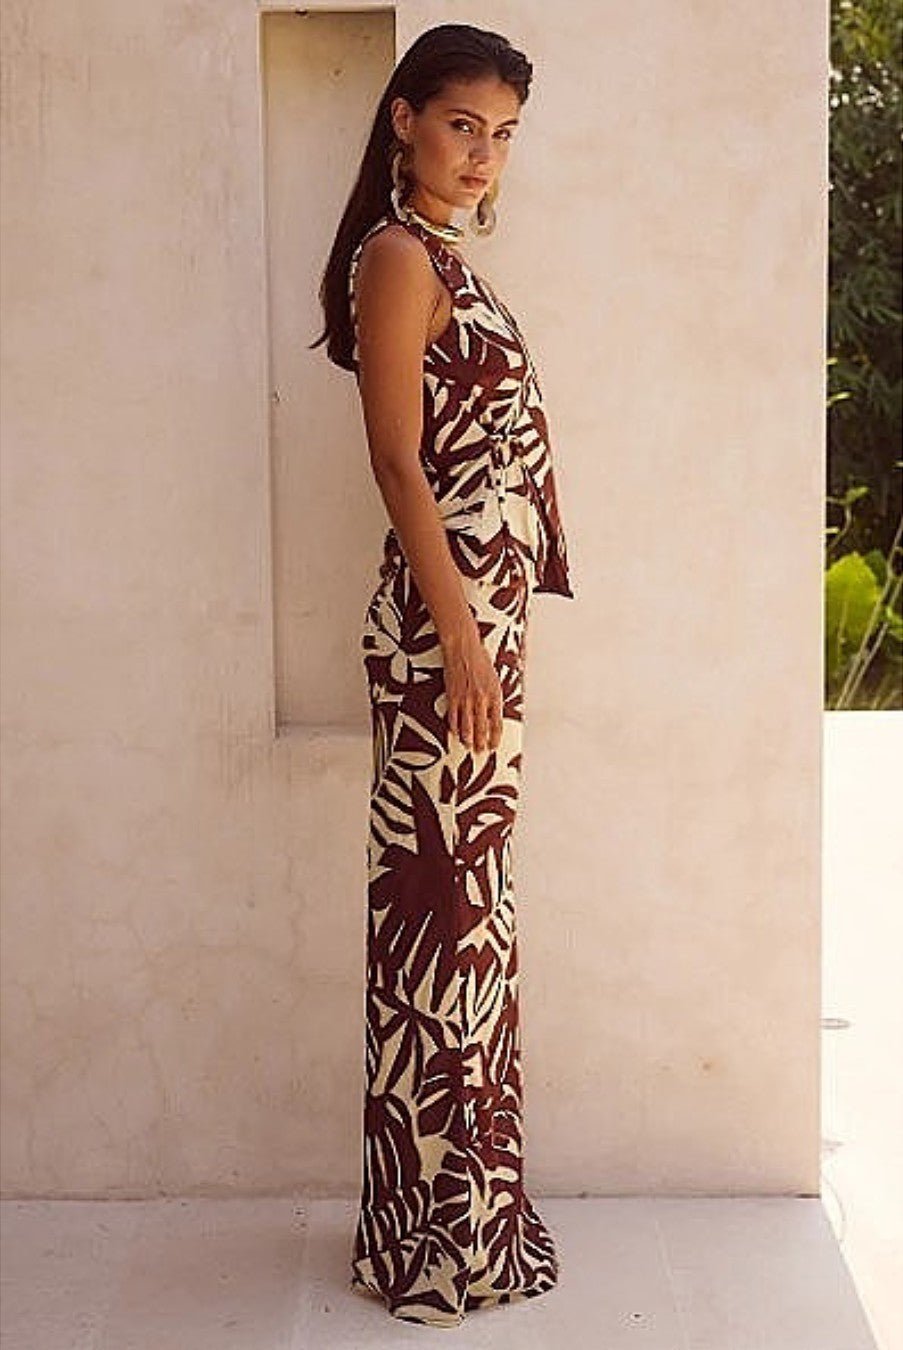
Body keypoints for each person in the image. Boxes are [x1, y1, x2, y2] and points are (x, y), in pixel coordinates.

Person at [311, 21, 575, 1328]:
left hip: (485, 639)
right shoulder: (398, 257)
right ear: (407, 117)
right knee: (440, 934)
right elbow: (399, 463)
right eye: (466, 123)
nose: (484, 154)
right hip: (441, 641)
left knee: (476, 932)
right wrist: (463, 634)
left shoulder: (457, 260)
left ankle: (470, 1221)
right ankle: (429, 1241)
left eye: (505, 133)